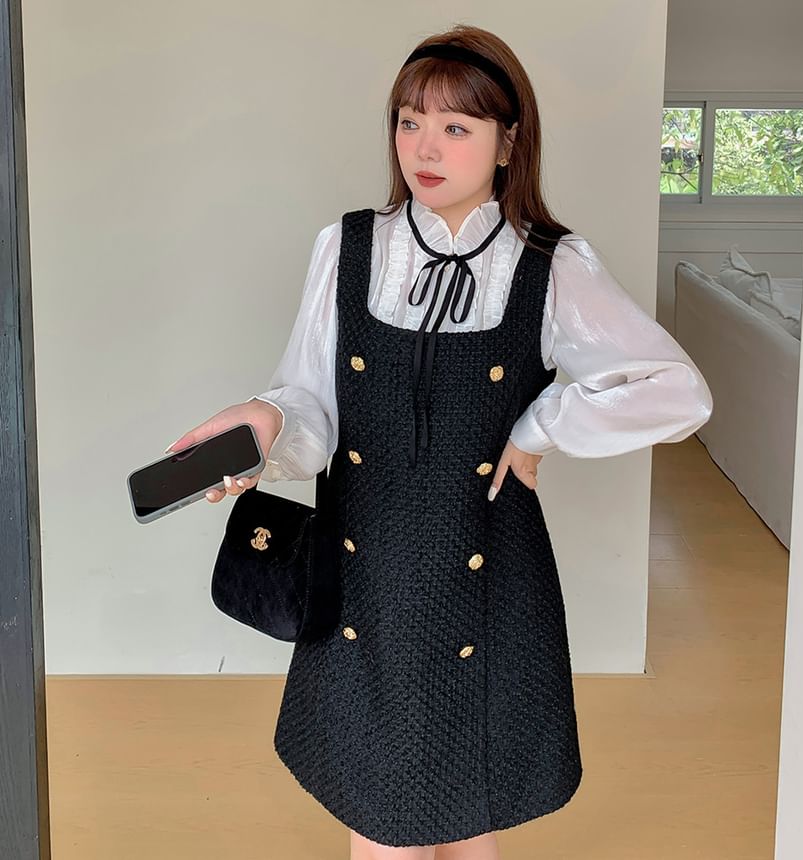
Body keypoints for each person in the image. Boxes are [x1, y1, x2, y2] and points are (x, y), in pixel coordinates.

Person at [167, 24, 713, 860]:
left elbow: (677, 390)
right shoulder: (349, 247)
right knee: (383, 823)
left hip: (488, 576)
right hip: (365, 575)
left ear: (508, 143)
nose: (424, 147)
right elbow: (310, 406)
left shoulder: (549, 264)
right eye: (409, 120)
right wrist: (265, 422)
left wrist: (541, 425)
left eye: (456, 126)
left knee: (467, 815)